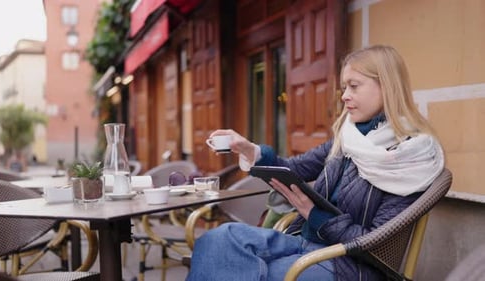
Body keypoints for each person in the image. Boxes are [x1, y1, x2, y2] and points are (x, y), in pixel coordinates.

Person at [186, 45, 445, 281]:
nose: (345, 96)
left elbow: (374, 243)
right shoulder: (347, 138)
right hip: (305, 241)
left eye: (354, 86)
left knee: (244, 271)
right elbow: (293, 169)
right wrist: (248, 148)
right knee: (218, 240)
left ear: (387, 87)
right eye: (345, 87)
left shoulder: (411, 156)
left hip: (351, 264)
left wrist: (316, 215)